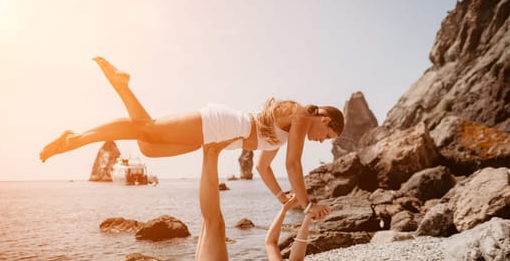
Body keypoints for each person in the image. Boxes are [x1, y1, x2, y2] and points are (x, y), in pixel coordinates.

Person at [40, 57, 344, 217]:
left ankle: (122, 86)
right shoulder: (303, 114)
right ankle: (75, 138)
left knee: (149, 147)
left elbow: (265, 167)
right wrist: (307, 204)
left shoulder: (287, 131)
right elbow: (294, 165)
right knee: (148, 130)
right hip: (222, 123)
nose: (320, 141)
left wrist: (281, 197)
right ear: (325, 120)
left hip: (219, 137)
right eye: (326, 135)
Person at [192, 140, 363, 261]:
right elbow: (270, 243)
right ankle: (209, 151)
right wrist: (284, 210)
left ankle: (211, 152)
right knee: (208, 223)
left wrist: (308, 217)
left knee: (215, 223)